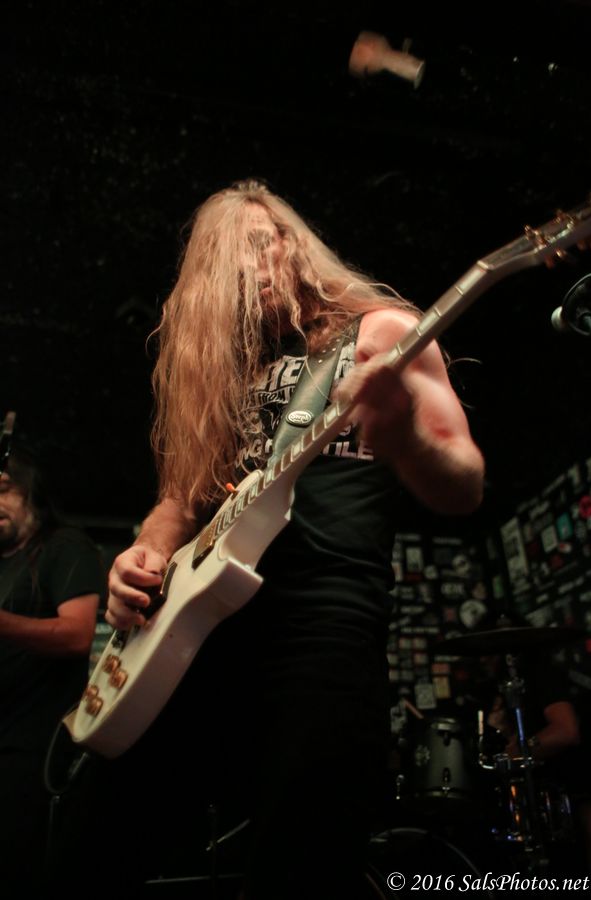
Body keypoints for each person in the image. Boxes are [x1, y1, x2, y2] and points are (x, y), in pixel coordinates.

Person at [56, 179, 484, 899]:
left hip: (323, 631)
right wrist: (146, 551)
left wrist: (405, 432)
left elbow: (464, 484)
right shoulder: (217, 379)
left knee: (301, 864)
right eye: (229, 262)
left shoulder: (380, 333)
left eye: (261, 244)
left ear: (294, 245)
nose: (252, 267)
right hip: (200, 636)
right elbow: (176, 501)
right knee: (89, 841)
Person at [0, 447, 103, 890]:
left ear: (33, 494)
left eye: (5, 490)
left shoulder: (64, 546)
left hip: (31, 747)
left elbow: (78, 635)